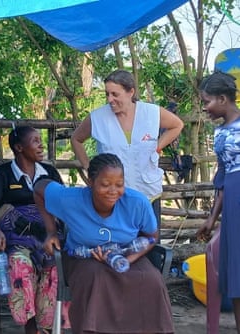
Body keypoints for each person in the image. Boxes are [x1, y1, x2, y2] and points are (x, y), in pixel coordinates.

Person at [34, 153, 174, 334]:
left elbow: (152, 236)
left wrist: (130, 259)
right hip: (83, 256)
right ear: (90, 182)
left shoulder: (137, 202)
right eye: (105, 185)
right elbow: (39, 189)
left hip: (127, 253)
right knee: (96, 279)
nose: (113, 191)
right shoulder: (70, 199)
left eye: (119, 184)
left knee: (151, 280)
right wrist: (51, 232)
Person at [0, 125, 70, 334]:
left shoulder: (50, 172)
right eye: (35, 141)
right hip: (17, 239)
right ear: (19, 147)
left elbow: (64, 206)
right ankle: (30, 327)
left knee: (56, 266)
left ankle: (47, 327)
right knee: (19, 265)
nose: (41, 145)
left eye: (40, 140)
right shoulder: (2, 175)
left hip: (47, 234)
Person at [71, 69, 184, 229]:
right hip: (113, 197)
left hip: (148, 192)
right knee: (117, 243)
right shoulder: (97, 118)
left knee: (148, 244)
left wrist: (158, 147)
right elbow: (76, 139)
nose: (110, 99)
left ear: (131, 92)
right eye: (107, 94)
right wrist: (89, 168)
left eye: (115, 94)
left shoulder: (151, 113)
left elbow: (177, 125)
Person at [196, 71, 240, 332]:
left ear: (223, 99)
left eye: (208, 101)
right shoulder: (221, 134)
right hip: (233, 205)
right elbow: (222, 180)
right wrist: (212, 219)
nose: (205, 107)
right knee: (236, 272)